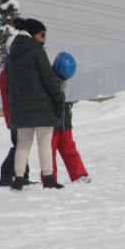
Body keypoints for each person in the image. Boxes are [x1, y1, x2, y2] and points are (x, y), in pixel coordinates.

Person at [5, 18, 66, 191]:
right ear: (33, 34)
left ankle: (18, 178)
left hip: (20, 107)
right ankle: (48, 178)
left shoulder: (12, 55)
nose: (44, 38)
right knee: (44, 143)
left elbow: (9, 84)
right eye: (42, 34)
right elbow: (48, 80)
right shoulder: (37, 52)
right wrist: (58, 97)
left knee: (23, 144)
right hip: (42, 107)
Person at [47, 52, 91, 184]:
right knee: (49, 151)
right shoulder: (46, 78)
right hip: (50, 122)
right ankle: (50, 178)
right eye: (59, 77)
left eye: (64, 78)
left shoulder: (63, 81)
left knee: (69, 148)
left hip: (64, 119)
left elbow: (65, 97)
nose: (61, 80)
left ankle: (79, 174)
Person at [0, 66, 34, 187]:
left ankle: (22, 175)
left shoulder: (10, 72)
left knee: (22, 144)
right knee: (20, 146)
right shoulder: (10, 73)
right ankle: (6, 175)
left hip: (16, 116)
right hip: (16, 116)